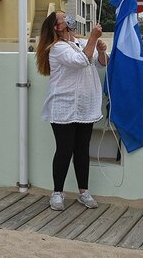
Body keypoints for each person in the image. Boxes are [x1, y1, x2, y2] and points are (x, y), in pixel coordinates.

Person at [35, 11, 107, 211]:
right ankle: (57, 193)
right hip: (63, 105)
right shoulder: (57, 47)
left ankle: (84, 192)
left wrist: (100, 50)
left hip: (85, 106)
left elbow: (100, 63)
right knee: (64, 149)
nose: (68, 20)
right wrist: (93, 38)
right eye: (63, 18)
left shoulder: (81, 43)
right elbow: (80, 61)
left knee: (82, 150)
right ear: (56, 27)